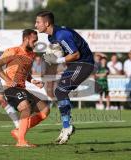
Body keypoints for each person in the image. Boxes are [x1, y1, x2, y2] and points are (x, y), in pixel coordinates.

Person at [35, 11, 94, 144]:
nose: (35, 25)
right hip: (74, 64)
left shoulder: (61, 35)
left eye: (38, 22)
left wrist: (57, 60)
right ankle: (66, 126)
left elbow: (76, 54)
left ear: (47, 23)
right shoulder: (51, 37)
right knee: (59, 91)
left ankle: (67, 126)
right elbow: (65, 56)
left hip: (84, 63)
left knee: (61, 91)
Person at [0, 29, 50, 147]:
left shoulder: (32, 55)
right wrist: (8, 80)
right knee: (26, 108)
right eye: (34, 40)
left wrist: (33, 81)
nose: (35, 43)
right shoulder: (13, 51)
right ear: (26, 39)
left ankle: (19, 132)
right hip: (10, 88)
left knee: (45, 111)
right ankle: (21, 141)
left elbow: (25, 73)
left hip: (22, 88)